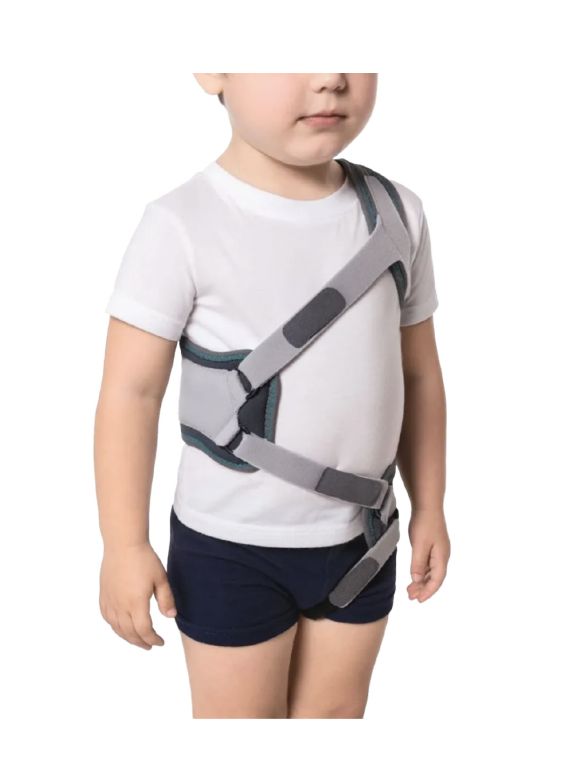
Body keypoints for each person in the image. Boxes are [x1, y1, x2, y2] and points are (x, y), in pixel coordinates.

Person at [94, 73, 450, 719]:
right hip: (230, 548)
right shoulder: (181, 224)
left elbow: (419, 374)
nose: (330, 77)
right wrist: (123, 545)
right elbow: (130, 394)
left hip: (363, 538)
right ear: (213, 70)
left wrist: (430, 505)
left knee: (333, 726)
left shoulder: (398, 215)